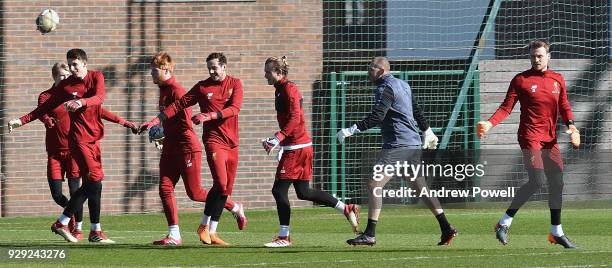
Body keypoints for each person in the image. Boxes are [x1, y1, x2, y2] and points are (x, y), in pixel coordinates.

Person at [338, 56, 457, 246]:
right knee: (420, 187)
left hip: (397, 145)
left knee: (374, 184)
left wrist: (351, 130)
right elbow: (416, 110)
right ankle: (446, 228)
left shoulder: (384, 87)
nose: (369, 71)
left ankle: (369, 234)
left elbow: (378, 115)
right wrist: (427, 131)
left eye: (372, 68)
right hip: (413, 144)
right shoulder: (403, 85)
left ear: (382, 71)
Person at [477, 40, 579, 249]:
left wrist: (572, 127)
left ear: (548, 57)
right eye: (533, 56)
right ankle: (504, 223)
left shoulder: (557, 79)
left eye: (540, 56)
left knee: (557, 183)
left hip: (550, 140)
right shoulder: (521, 80)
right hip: (529, 136)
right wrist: (489, 123)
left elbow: (564, 105)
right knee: (537, 181)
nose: (536, 59)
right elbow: (506, 108)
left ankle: (556, 232)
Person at [9, 49, 115, 243]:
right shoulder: (65, 87)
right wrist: (21, 121)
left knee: (95, 185)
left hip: (94, 140)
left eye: (75, 64)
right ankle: (63, 222)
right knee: (93, 180)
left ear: (84, 63)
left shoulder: (96, 76)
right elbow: (43, 108)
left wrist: (81, 102)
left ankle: (95, 231)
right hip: (78, 141)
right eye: (69, 64)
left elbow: (99, 98)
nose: (72, 68)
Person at [140, 52, 245, 246]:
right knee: (166, 188)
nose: (211, 71)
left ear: (224, 66)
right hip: (209, 141)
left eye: (214, 67)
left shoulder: (234, 83)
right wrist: (156, 122)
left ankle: (231, 208)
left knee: (200, 192)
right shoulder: (201, 87)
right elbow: (179, 106)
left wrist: (208, 116)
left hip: (196, 145)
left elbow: (234, 109)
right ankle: (175, 234)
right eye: (209, 68)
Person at [260, 56, 360, 248]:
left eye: (268, 72)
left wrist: (279, 137)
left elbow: (296, 118)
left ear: (279, 73)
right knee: (303, 192)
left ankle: (284, 236)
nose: (265, 75)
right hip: (299, 146)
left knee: (278, 190)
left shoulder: (289, 89)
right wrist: (278, 140)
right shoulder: (281, 89)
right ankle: (345, 208)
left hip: (296, 148)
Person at [40, 62, 138, 241]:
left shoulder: (82, 93)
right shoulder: (51, 95)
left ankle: (84, 229)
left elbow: (101, 110)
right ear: (53, 77)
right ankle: (66, 222)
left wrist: (125, 122)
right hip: (60, 151)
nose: (65, 78)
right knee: (64, 192)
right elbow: (41, 111)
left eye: (66, 74)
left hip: (78, 149)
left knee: (91, 185)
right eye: (61, 76)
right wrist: (44, 119)